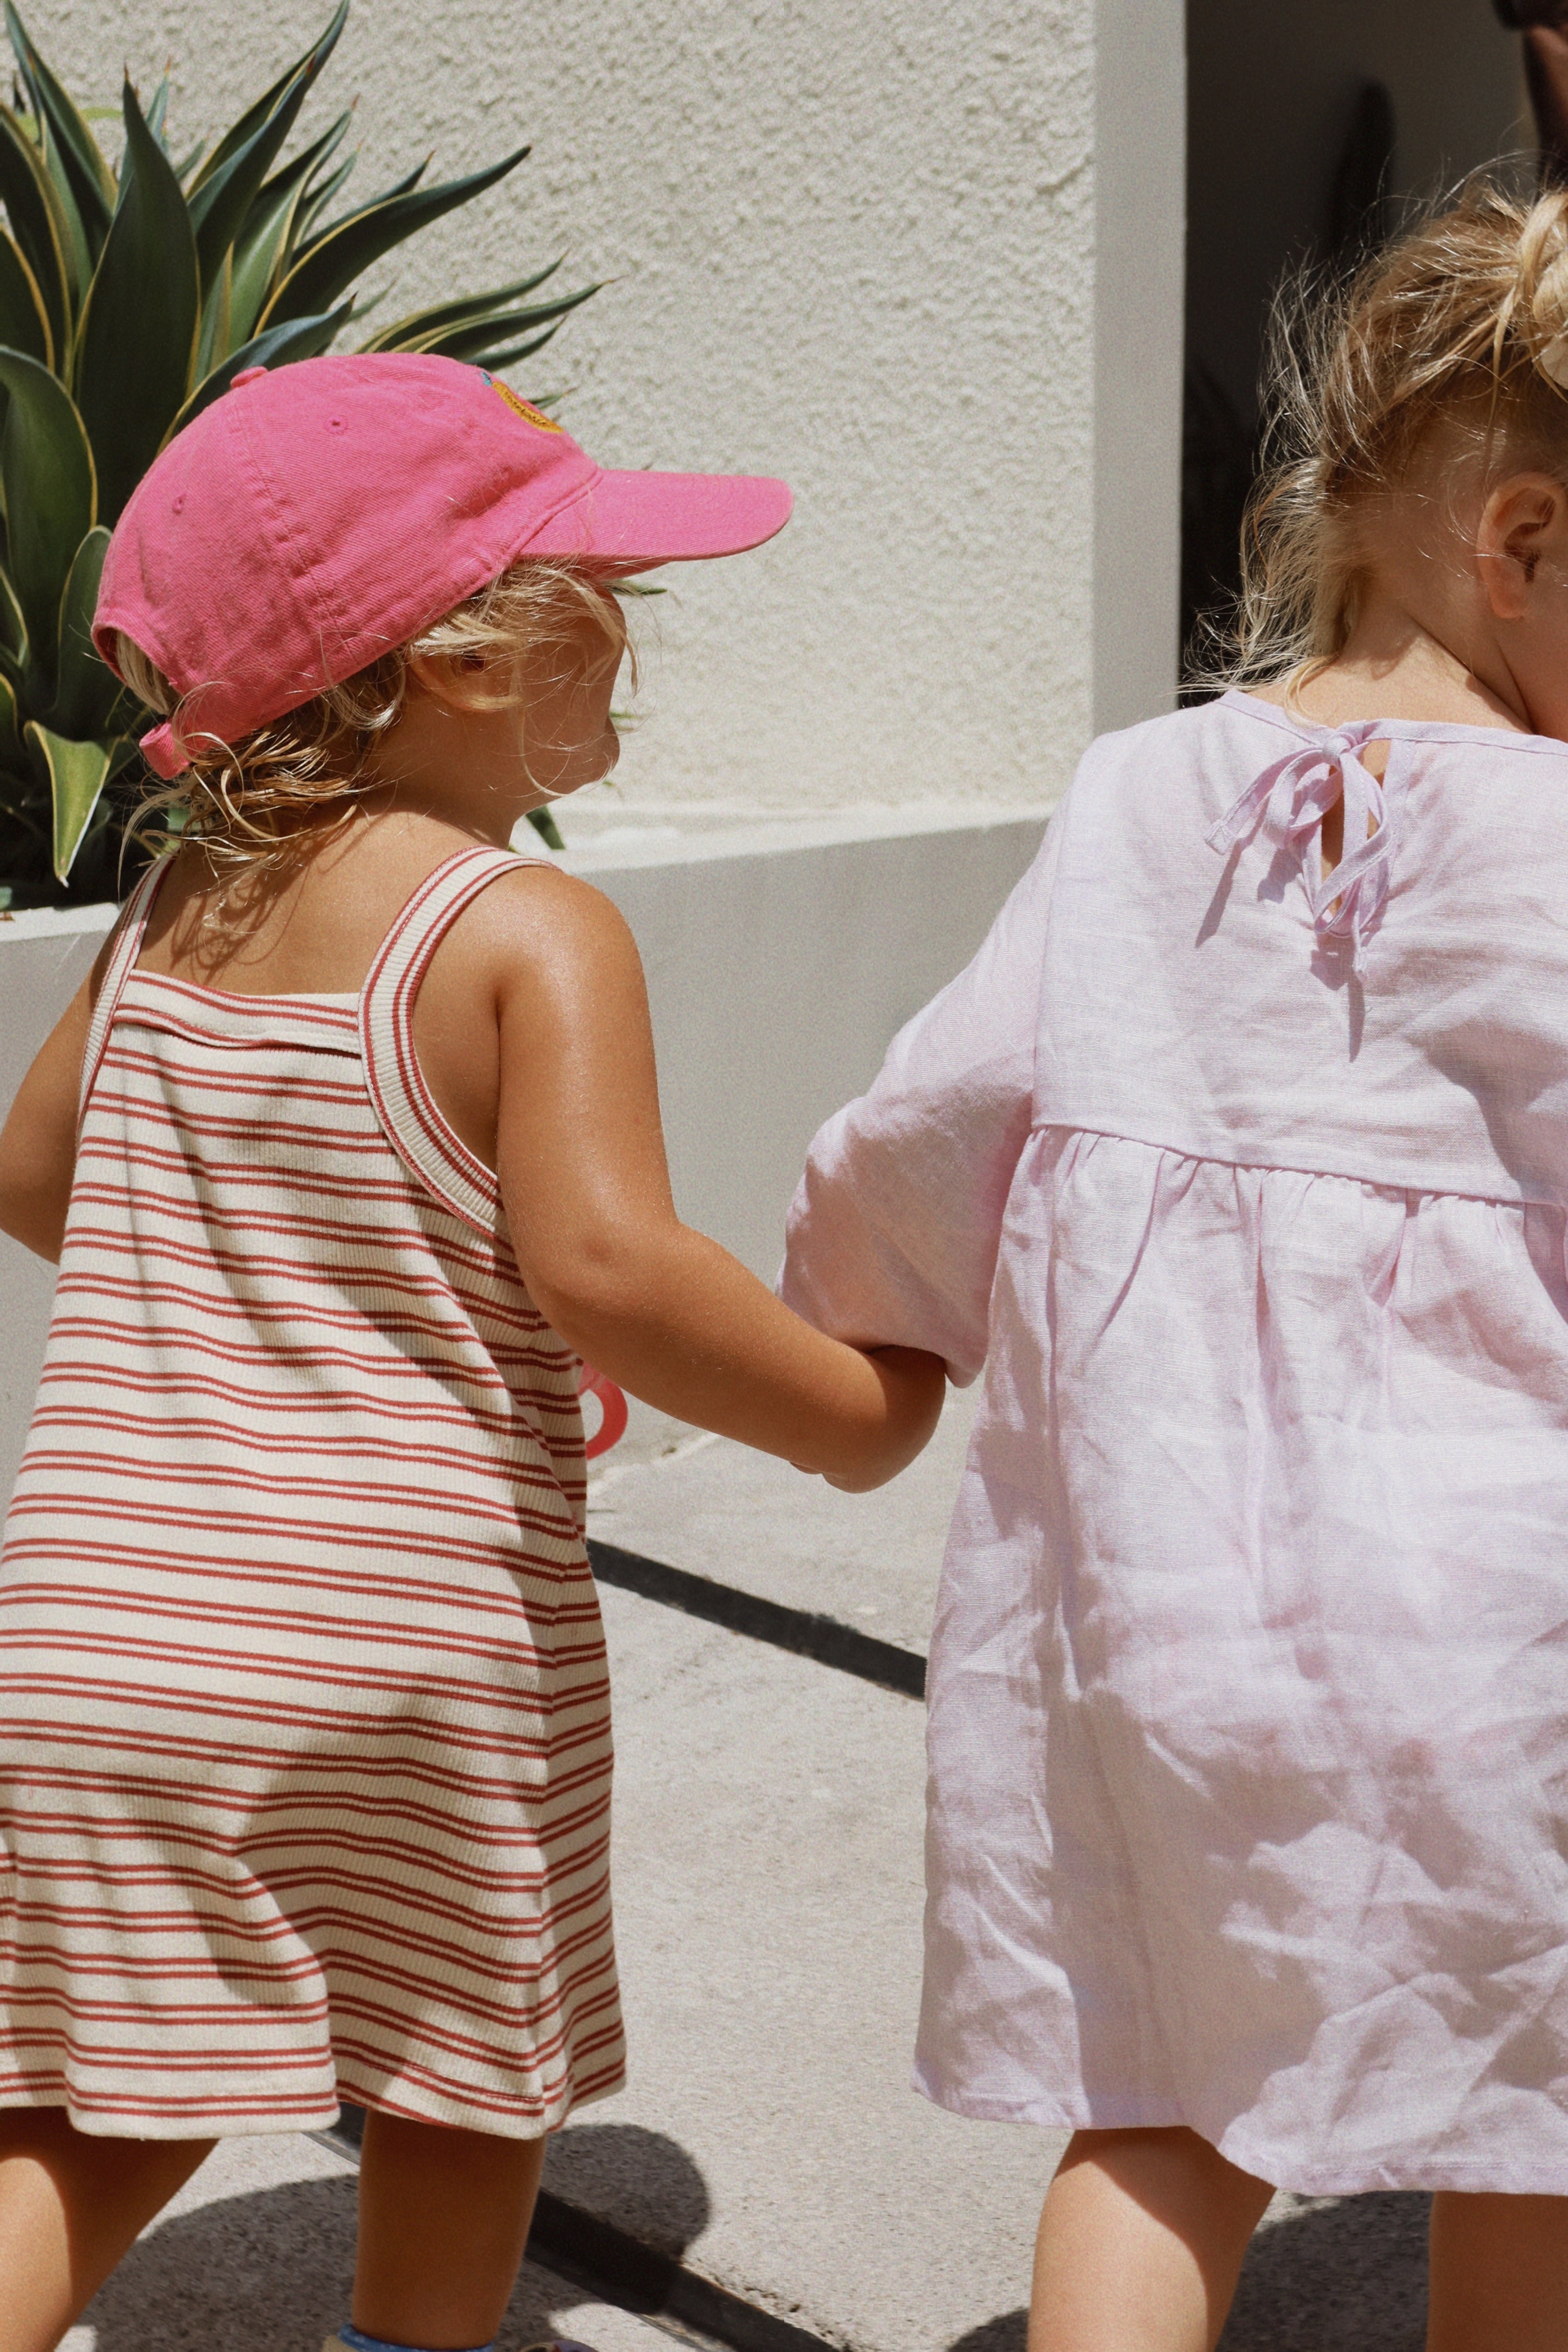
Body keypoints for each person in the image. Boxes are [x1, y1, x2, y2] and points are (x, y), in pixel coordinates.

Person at [0, 353, 944, 2352]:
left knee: (92, 2104)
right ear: (450, 656)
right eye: (594, 581)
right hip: (406, 1633)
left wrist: (275, 1292)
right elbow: (607, 1265)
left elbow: (33, 1169)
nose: (632, 623)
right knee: (456, 2057)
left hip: (97, 1634)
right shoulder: (520, 926)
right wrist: (855, 1416)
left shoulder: (172, 899)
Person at [779, 177, 1568, 2352]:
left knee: (1160, 2112)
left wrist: (859, 1299)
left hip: (1165, 1635)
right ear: (1517, 548)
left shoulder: (1137, 799)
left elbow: (935, 1126)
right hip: (1516, 1661)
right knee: (1542, 2124)